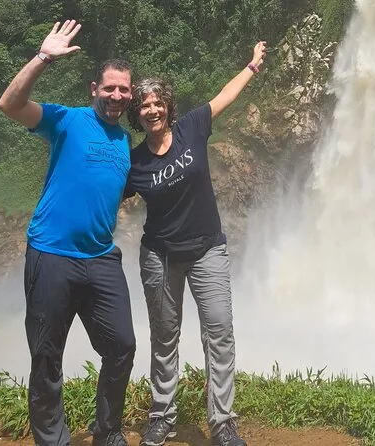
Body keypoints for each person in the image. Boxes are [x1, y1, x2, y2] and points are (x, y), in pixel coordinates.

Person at [0, 20, 136, 446]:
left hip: (101, 258)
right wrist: (43, 57)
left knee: (122, 345)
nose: (116, 96)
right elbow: (10, 104)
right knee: (46, 355)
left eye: (123, 89)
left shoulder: (125, 142)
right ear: (95, 88)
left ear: (130, 95)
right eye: (109, 88)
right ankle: (53, 439)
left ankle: (107, 431)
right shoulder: (67, 120)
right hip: (52, 254)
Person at [123, 41, 266, 446]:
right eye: (144, 105)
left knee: (219, 331)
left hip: (207, 249)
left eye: (157, 103)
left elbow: (225, 96)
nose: (152, 109)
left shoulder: (192, 127)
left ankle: (222, 423)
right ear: (137, 114)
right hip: (161, 257)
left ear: (168, 106)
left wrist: (252, 66)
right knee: (164, 337)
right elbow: (104, 194)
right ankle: (161, 417)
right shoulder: (135, 162)